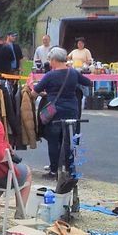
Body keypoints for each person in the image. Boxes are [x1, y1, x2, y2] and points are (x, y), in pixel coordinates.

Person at [33, 48, 93, 179]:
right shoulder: (73, 73)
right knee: (68, 141)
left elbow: (35, 92)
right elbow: (88, 83)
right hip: (71, 110)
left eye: (50, 60)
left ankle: (54, 171)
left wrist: (46, 93)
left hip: (54, 112)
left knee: (53, 141)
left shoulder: (49, 75)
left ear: (54, 60)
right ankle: (70, 170)